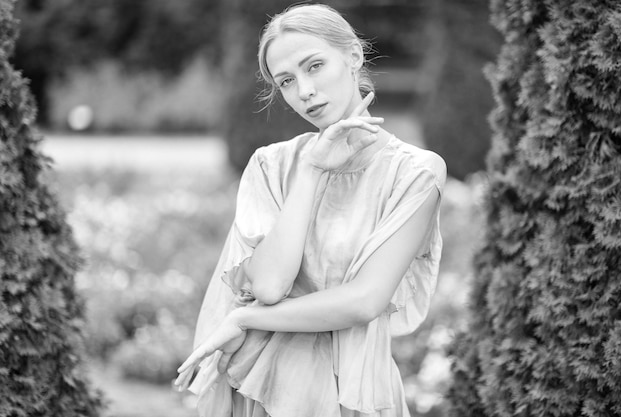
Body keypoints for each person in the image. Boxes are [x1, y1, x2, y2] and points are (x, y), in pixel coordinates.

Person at [174, 4, 446, 417]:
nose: (304, 90)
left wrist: (247, 320)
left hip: (350, 393)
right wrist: (312, 171)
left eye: (314, 66)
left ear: (353, 57)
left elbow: (363, 302)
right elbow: (268, 285)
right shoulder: (271, 165)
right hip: (260, 387)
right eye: (287, 80)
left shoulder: (415, 172)